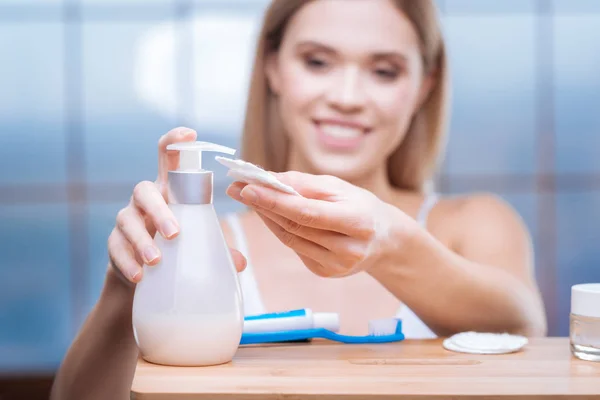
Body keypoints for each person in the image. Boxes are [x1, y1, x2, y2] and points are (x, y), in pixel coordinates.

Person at [51, 0, 547, 398]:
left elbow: (525, 330)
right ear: (272, 67)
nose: (347, 96)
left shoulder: (476, 224)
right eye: (317, 61)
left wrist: (391, 243)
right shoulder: (205, 247)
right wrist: (125, 286)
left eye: (385, 71)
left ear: (424, 86)